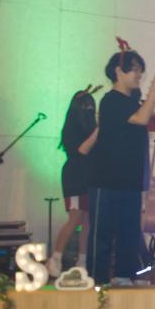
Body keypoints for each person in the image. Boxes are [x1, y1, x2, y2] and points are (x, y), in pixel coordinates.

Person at [89, 40, 155, 286]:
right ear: (118, 71)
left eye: (140, 71)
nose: (139, 75)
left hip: (131, 178)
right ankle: (97, 279)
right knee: (102, 233)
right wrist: (153, 88)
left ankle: (124, 275)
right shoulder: (110, 100)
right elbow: (141, 118)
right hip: (106, 178)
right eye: (134, 70)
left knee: (129, 231)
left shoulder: (134, 101)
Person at [49, 86, 99, 278]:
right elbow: (81, 150)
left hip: (91, 176)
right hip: (76, 176)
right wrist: (99, 129)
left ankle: (83, 261)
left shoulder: (92, 125)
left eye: (90, 105)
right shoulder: (71, 127)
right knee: (76, 218)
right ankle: (55, 258)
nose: (89, 109)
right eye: (85, 105)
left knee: (88, 221)